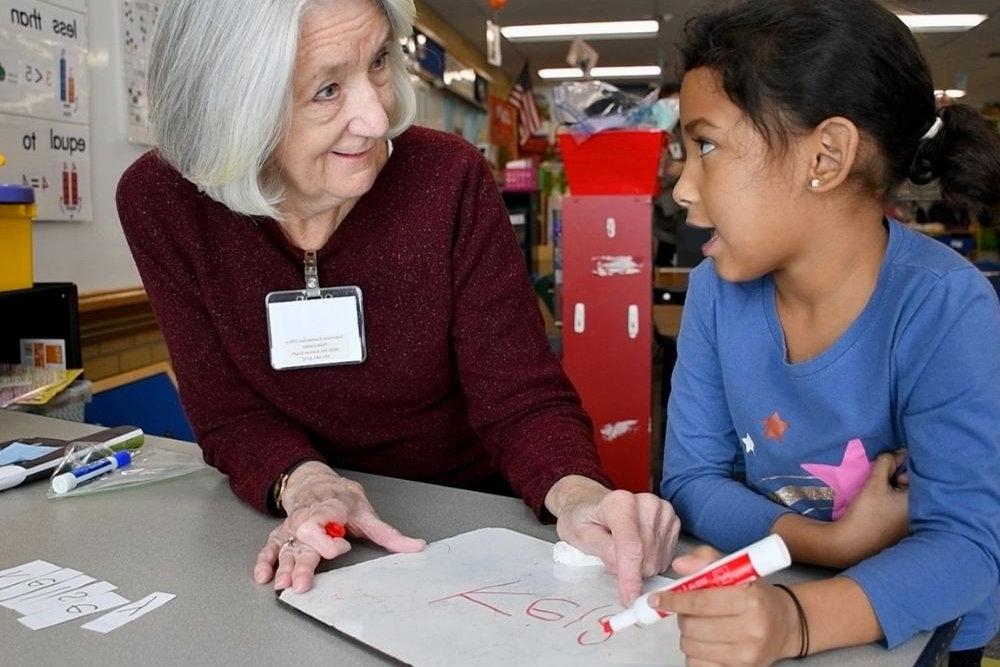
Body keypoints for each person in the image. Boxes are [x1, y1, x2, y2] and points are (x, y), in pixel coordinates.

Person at [116, 0, 680, 601]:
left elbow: (519, 396)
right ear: (230, 108)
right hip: (303, 524)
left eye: (380, 60)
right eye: (327, 89)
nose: (376, 114)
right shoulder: (164, 202)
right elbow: (230, 414)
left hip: (466, 521)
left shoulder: (448, 179)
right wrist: (310, 487)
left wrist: (577, 495)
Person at [657, 0, 1000, 664]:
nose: (682, 189)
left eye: (705, 145)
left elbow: (966, 544)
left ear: (827, 155)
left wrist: (795, 621)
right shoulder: (713, 294)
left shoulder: (945, 306)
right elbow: (692, 479)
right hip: (767, 601)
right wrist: (826, 543)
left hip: (917, 631)